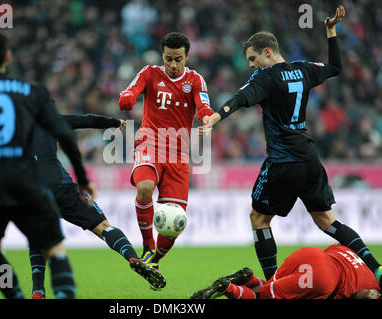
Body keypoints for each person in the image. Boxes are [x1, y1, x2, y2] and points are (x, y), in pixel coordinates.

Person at [200, 6, 382, 285]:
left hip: (283, 160)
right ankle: (377, 269)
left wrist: (215, 116)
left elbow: (239, 98)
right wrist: (331, 33)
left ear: (267, 52)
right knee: (327, 221)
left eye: (252, 58)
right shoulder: (303, 70)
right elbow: (335, 67)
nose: (250, 64)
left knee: (259, 219)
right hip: (309, 157)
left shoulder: (266, 77)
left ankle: (275, 286)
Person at [0, 26, 88, 299]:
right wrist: (83, 178)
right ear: (8, 56)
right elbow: (63, 132)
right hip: (26, 181)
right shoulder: (30, 91)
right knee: (55, 248)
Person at [28, 114, 166, 299]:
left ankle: (38, 291)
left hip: (33, 191)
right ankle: (133, 258)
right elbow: (87, 120)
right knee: (103, 227)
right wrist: (114, 122)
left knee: (38, 238)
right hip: (62, 187)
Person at [118, 32, 214, 289]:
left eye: (178, 59)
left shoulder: (195, 80)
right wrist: (126, 98)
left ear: (187, 56)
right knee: (144, 188)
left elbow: (203, 105)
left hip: (179, 154)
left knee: (175, 223)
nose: (173, 65)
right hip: (149, 142)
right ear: (163, 56)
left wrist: (206, 117)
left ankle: (153, 261)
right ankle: (148, 246)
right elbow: (130, 90)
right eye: (169, 59)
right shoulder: (150, 73)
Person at [191, 244, 381, 299]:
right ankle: (228, 289)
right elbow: (368, 295)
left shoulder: (359, 262)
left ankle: (249, 279)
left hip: (310, 254)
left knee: (269, 287)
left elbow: (334, 248)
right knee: (262, 298)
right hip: (324, 279)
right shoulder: (373, 288)